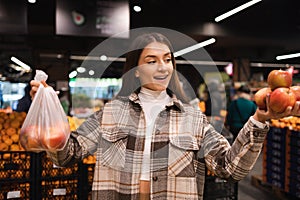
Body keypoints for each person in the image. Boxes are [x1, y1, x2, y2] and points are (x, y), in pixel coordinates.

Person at [29, 32, 300, 200]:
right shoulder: (110, 114)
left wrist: (260, 120)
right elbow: (65, 155)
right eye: (151, 61)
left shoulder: (193, 118)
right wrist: (47, 108)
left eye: (168, 59)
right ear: (135, 70)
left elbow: (231, 168)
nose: (163, 67)